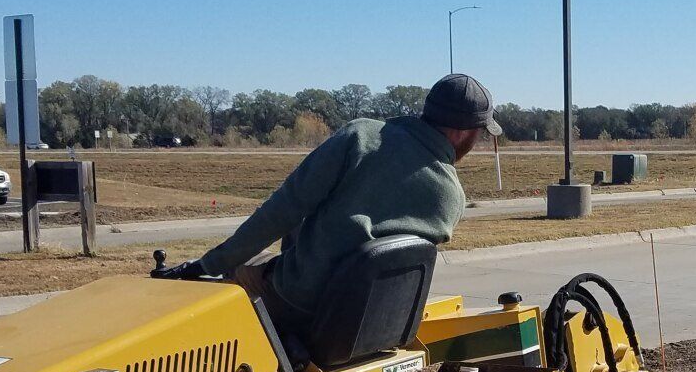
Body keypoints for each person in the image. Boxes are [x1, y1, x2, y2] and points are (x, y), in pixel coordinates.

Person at [186, 73, 501, 342]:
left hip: (299, 300)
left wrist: (208, 265)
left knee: (235, 273)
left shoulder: (361, 136)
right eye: (480, 133)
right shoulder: (452, 197)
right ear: (462, 132)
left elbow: (284, 209)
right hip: (370, 321)